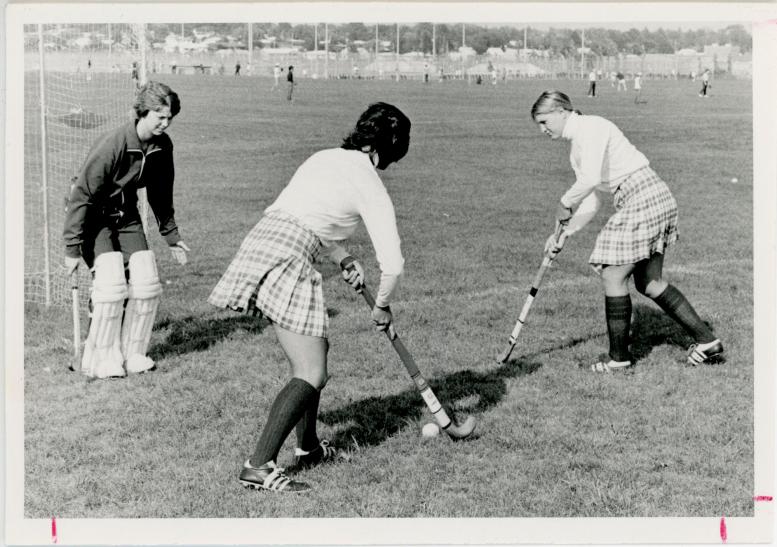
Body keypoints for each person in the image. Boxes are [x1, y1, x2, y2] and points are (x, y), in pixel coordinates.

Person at [208, 102, 412, 493]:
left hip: (267, 238)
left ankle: (309, 448)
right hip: (288, 254)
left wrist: (343, 256)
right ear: (390, 146)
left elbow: (310, 215)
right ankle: (258, 465)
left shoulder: (326, 157)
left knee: (316, 352)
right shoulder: (368, 181)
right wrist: (383, 305)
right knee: (311, 371)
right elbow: (394, 264)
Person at [530, 90, 723, 373]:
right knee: (649, 282)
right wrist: (564, 232)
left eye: (545, 121)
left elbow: (589, 181)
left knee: (613, 274)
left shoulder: (591, 127)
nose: (542, 129)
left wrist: (564, 202)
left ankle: (618, 358)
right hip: (653, 195)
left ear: (561, 111)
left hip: (642, 197)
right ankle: (707, 342)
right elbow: (593, 196)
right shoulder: (577, 148)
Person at [63, 81, 190, 379]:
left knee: (145, 277)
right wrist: (71, 248)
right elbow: (81, 195)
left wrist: (172, 237)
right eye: (159, 115)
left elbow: (161, 194)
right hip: (94, 215)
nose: (165, 122)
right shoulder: (116, 143)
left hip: (126, 215)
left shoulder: (162, 146)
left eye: (169, 117)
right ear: (143, 112)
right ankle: (99, 358)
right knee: (110, 281)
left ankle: (133, 353)